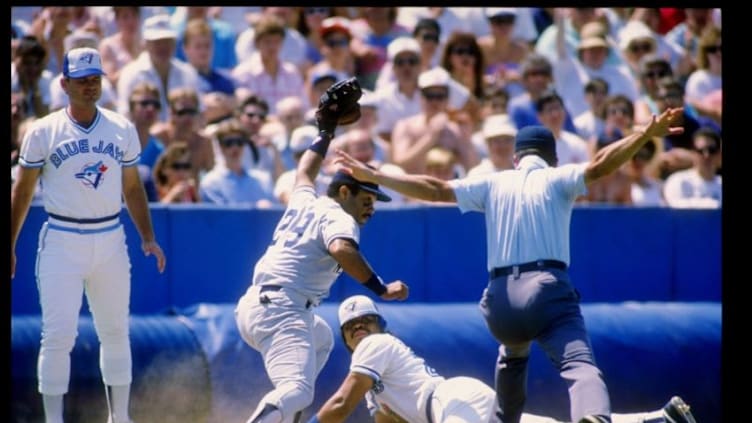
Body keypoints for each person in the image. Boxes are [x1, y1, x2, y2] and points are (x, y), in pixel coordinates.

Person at [333, 106, 685, 423]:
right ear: (552, 158)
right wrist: (641, 135)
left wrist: (376, 175)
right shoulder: (556, 178)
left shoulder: (493, 182)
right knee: (579, 366)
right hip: (546, 286)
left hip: (500, 300)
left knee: (513, 356)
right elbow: (599, 165)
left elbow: (435, 188)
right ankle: (593, 417)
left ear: (516, 158)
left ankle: (505, 419)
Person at [234, 78, 409, 423]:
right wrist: (380, 288)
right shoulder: (339, 216)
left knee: (322, 338)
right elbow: (342, 249)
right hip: (282, 309)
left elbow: (304, 171)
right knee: (298, 389)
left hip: (256, 305)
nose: (371, 207)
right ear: (344, 192)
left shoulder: (306, 200)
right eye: (367, 198)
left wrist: (325, 130)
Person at [10, 47, 167, 423]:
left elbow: (132, 187)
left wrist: (148, 236)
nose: (90, 86)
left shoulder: (121, 128)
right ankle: (53, 419)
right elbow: (24, 190)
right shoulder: (43, 131)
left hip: (110, 235)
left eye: (95, 79)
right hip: (62, 236)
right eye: (82, 80)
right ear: (64, 83)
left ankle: (121, 416)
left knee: (115, 330)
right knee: (58, 335)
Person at [307, 294, 698, 423]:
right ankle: (657, 418)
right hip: (452, 404)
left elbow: (342, 403)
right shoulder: (373, 372)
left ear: (380, 325)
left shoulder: (376, 346)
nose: (361, 329)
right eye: (352, 327)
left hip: (448, 403)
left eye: (367, 322)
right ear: (343, 336)